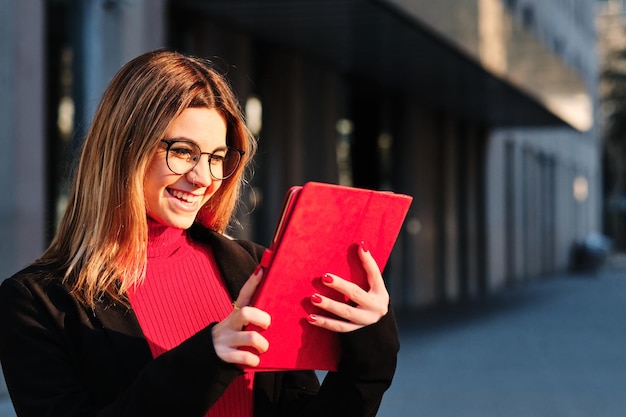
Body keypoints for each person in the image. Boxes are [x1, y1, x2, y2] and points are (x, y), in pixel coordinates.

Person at [0, 49, 399, 417]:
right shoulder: (35, 302)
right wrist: (208, 358)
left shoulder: (252, 268)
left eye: (216, 157)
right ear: (125, 148)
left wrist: (368, 339)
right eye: (183, 151)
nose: (204, 177)